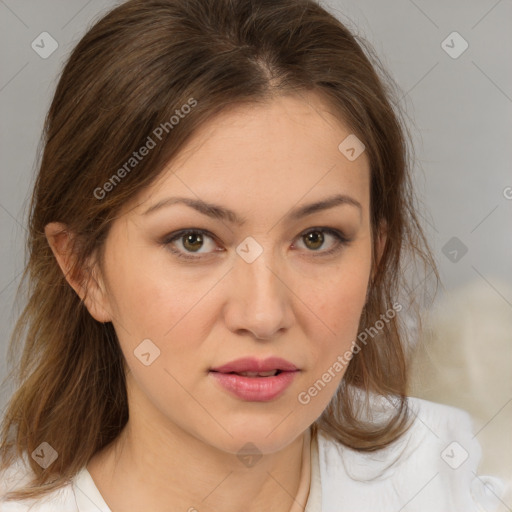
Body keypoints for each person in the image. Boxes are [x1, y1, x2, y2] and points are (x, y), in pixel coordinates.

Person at [0, 0, 506, 510]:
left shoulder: (447, 481)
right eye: (193, 240)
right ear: (83, 268)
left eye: (316, 238)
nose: (264, 315)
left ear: (377, 255)